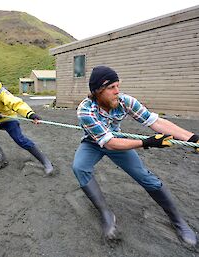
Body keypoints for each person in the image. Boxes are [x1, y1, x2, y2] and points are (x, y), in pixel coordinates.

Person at [72, 66, 198, 246]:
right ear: (97, 92)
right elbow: (109, 143)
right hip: (94, 143)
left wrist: (192, 138)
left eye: (118, 85)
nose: (117, 91)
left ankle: (179, 221)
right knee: (79, 167)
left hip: (118, 140)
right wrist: (146, 143)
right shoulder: (85, 110)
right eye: (111, 88)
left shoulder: (125, 101)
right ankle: (106, 214)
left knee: (145, 177)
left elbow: (155, 121)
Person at [0, 70, 53, 175]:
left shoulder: (0, 91)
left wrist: (30, 114)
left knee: (20, 139)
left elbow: (15, 103)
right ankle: (0, 157)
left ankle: (46, 162)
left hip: (8, 119)